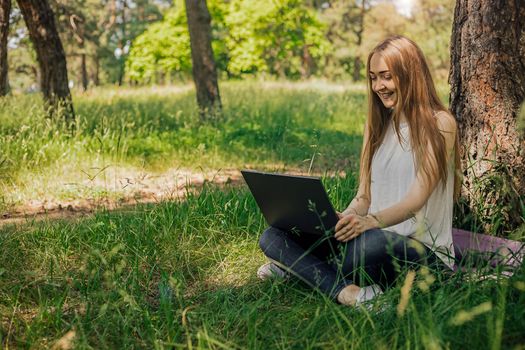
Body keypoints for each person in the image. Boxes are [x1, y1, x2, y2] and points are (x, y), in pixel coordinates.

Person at [257, 35, 461, 306]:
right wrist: (346, 218)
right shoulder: (376, 125)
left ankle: (301, 270)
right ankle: (350, 293)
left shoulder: (441, 123)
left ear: (410, 74)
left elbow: (417, 200)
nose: (378, 86)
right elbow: (364, 196)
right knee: (273, 235)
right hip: (371, 233)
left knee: (368, 246)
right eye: (373, 77)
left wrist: (371, 222)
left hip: (419, 251)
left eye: (386, 76)